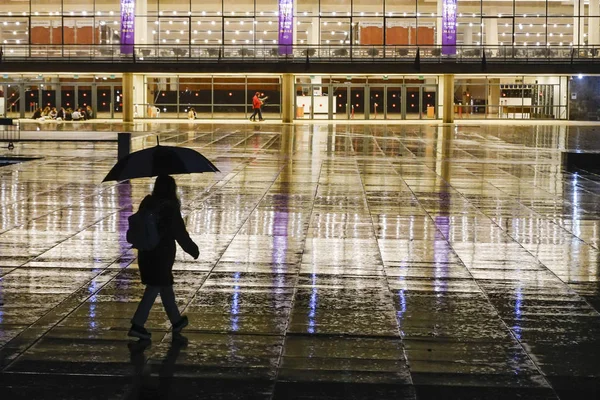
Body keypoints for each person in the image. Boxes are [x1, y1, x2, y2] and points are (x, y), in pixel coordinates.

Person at [129, 175, 199, 340]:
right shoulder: (170, 207)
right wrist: (192, 249)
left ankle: (176, 321)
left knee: (165, 287)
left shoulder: (148, 202)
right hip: (161, 255)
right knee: (154, 287)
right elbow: (179, 233)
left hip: (146, 252)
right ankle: (137, 325)